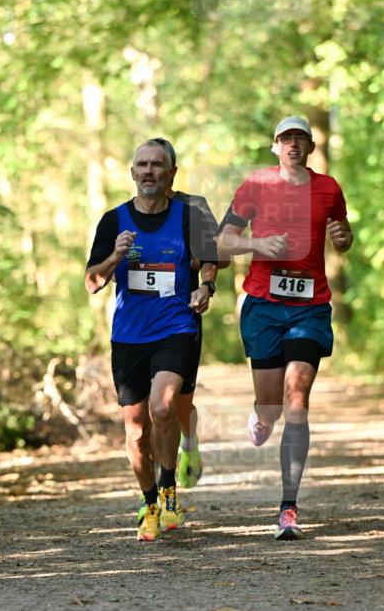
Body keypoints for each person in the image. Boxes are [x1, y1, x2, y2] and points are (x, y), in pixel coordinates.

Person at [217, 116, 353, 540]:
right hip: (263, 305)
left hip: (310, 306)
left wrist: (342, 236)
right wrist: (256, 244)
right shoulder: (256, 186)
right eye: (285, 139)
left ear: (310, 147)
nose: (293, 145)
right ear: (275, 146)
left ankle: (288, 508)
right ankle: (260, 416)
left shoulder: (328, 188)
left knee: (298, 399)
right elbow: (221, 242)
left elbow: (343, 236)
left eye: (300, 139)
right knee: (271, 406)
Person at [85, 137, 221, 542]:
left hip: (176, 327)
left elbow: (209, 261)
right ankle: (148, 504)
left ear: (171, 174)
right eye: (142, 164)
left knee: (163, 407)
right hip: (129, 336)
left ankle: (168, 492)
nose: (149, 171)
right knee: (136, 430)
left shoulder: (188, 215)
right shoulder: (114, 221)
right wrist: (115, 257)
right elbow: (92, 282)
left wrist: (205, 289)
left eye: (157, 165)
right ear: (132, 172)